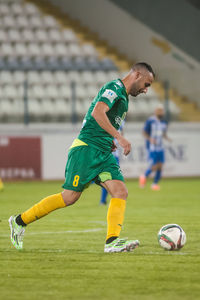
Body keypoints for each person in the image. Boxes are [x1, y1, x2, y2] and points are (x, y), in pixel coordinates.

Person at [9, 62, 155, 253]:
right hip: (87, 149)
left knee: (120, 192)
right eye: (147, 84)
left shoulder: (124, 98)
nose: (146, 90)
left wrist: (109, 138)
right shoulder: (115, 87)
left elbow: (98, 118)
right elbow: (97, 112)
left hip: (102, 151)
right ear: (137, 74)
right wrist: (119, 137)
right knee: (69, 197)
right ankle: (19, 221)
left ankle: (112, 242)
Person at [139, 104, 171, 191]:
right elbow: (144, 132)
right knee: (154, 166)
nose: (161, 112)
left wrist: (167, 138)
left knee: (160, 166)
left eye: (162, 111)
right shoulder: (150, 121)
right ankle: (144, 176)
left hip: (160, 147)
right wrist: (150, 139)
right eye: (159, 110)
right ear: (155, 111)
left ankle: (155, 184)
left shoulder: (164, 122)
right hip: (152, 147)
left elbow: (163, 133)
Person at [99, 121, 124, 205]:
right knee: (108, 178)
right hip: (107, 153)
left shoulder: (121, 120)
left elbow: (121, 133)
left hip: (115, 154)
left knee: (109, 178)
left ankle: (104, 200)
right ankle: (109, 199)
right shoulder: (107, 117)